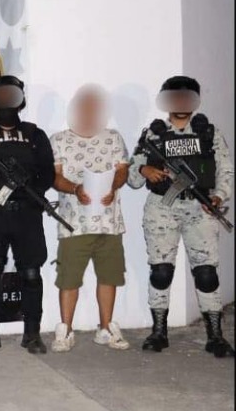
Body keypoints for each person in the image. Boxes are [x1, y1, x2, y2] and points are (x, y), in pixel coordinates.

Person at [128, 76, 234, 357]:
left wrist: (219, 196)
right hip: (162, 208)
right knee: (161, 271)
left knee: (207, 274)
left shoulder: (209, 133)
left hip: (200, 210)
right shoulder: (153, 135)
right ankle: (158, 332)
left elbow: (226, 170)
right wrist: (144, 170)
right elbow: (132, 177)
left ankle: (216, 336)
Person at [0, 75, 55, 355]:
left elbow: (48, 174)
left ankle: (32, 334)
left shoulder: (34, 134)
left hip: (26, 215)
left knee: (31, 274)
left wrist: (27, 185)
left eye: (11, 95)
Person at [49, 85, 130, 352]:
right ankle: (65, 330)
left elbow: (123, 170)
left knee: (109, 277)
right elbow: (55, 177)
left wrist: (113, 187)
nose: (88, 111)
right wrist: (75, 189)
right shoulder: (59, 140)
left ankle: (106, 328)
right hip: (74, 225)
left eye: (94, 107)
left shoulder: (113, 137)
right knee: (68, 279)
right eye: (84, 107)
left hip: (110, 223)